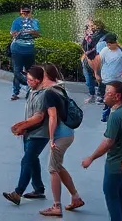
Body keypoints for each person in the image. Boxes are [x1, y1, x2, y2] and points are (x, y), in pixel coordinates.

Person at [82, 80, 122, 221]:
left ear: (117, 96)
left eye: (108, 93)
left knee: (111, 193)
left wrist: (91, 157)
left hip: (115, 163)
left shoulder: (115, 116)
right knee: (119, 192)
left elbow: (108, 142)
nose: (104, 95)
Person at [40, 65, 86, 217]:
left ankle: (56, 206)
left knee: (53, 169)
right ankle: (76, 197)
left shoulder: (49, 93)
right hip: (68, 133)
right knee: (58, 167)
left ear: (45, 76)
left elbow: (52, 117)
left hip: (60, 135)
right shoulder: (59, 88)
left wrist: (51, 138)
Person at [3, 65, 51, 206]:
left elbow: (38, 117)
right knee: (32, 160)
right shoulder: (32, 90)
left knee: (27, 161)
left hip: (39, 133)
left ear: (37, 80)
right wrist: (25, 127)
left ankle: (18, 193)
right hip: (30, 132)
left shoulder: (43, 95)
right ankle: (38, 189)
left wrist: (22, 125)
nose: (27, 81)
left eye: (30, 79)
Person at [96, 34, 122, 122]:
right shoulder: (104, 51)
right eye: (107, 44)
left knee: (119, 100)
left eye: (110, 44)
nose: (108, 45)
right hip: (106, 81)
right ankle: (106, 117)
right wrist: (96, 74)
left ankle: (118, 116)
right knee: (108, 101)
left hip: (118, 82)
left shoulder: (121, 51)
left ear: (115, 43)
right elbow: (98, 63)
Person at [9, 4, 41, 101]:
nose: (25, 14)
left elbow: (37, 33)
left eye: (27, 12)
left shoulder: (34, 21)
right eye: (24, 12)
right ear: (21, 12)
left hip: (29, 49)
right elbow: (12, 33)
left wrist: (32, 32)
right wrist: (16, 34)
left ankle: (28, 91)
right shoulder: (16, 21)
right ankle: (17, 91)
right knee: (17, 71)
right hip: (18, 49)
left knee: (28, 71)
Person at [80, 20, 104, 104]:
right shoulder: (90, 36)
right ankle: (94, 94)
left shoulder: (96, 38)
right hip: (88, 61)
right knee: (90, 80)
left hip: (94, 61)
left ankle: (98, 95)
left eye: (89, 26)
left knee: (99, 78)